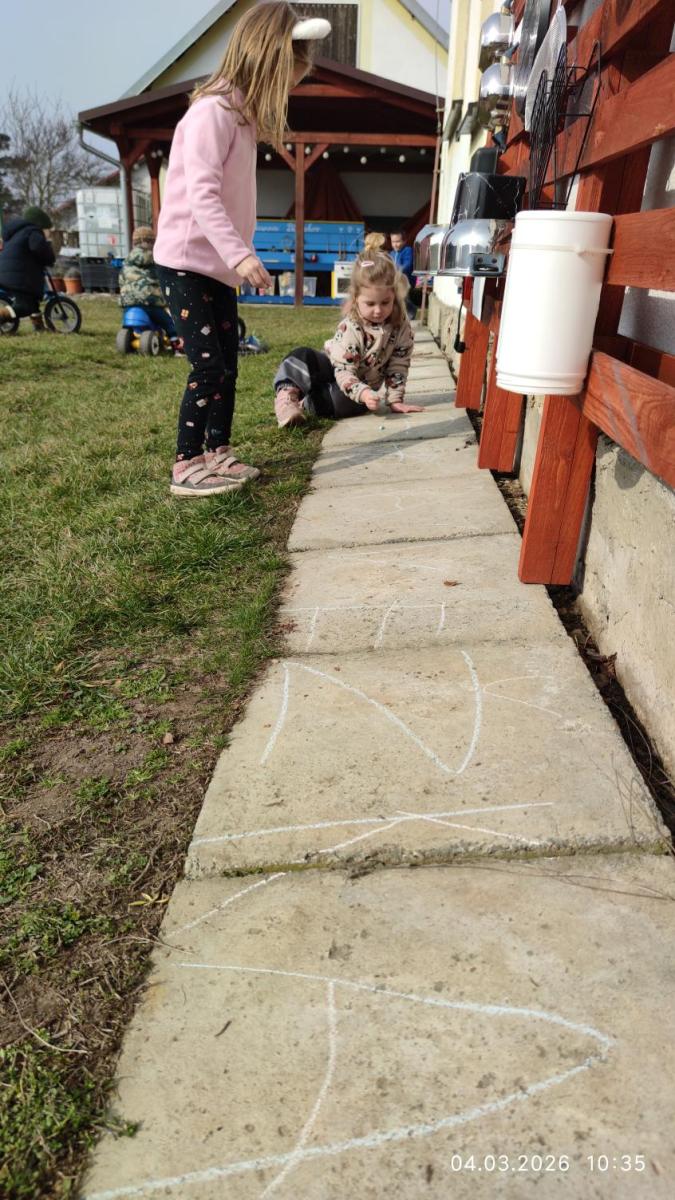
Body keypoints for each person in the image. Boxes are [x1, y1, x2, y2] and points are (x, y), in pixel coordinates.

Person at [154, 2, 331, 498]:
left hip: (217, 267)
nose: (289, 90)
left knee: (228, 363)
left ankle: (218, 451)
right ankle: (186, 463)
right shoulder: (213, 112)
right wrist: (241, 254)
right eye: (289, 78)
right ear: (268, 61)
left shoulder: (242, 117)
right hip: (187, 263)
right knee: (207, 365)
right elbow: (202, 196)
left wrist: (235, 257)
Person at [273, 252, 424, 427]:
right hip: (333, 368)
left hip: (359, 385)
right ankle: (286, 398)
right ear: (356, 298)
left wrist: (394, 399)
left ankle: (306, 403)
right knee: (302, 355)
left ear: (395, 297)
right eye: (370, 304)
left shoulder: (401, 327)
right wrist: (364, 393)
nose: (378, 310)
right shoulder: (351, 326)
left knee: (345, 403)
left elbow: (399, 364)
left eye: (385, 302)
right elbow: (343, 371)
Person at [119, 225, 182, 351]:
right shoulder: (157, 260)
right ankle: (176, 343)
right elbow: (163, 280)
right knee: (168, 322)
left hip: (129, 302)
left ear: (134, 242)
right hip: (151, 302)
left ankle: (128, 337)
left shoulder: (126, 261)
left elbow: (121, 281)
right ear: (153, 242)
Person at [0, 206, 55, 329]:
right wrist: (50, 258)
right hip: (17, 276)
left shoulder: (17, 233)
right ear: (40, 225)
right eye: (48, 230)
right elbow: (39, 248)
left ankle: (38, 326)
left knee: (32, 300)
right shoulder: (33, 232)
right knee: (25, 307)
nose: (49, 233)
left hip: (8, 273)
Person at [390, 229, 417, 319]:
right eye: (393, 242)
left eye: (398, 241)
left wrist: (397, 270)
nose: (395, 244)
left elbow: (408, 265)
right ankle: (398, 313)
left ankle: (411, 310)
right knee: (396, 297)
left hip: (406, 279)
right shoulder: (392, 253)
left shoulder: (407, 250)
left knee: (403, 296)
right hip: (395, 280)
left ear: (404, 241)